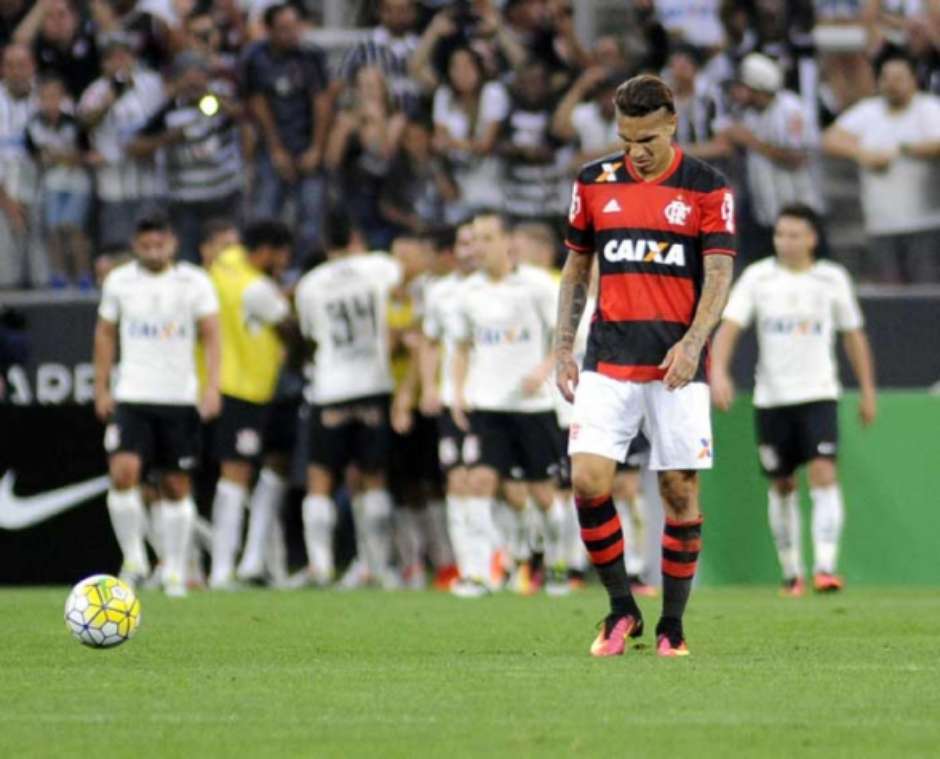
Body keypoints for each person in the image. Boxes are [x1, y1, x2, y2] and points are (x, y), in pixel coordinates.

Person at [556, 74, 736, 657]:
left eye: (648, 138)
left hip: (675, 363)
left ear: (673, 124)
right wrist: (563, 345)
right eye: (626, 137)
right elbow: (576, 268)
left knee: (679, 492)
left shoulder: (707, 187)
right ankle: (620, 609)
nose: (636, 150)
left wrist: (693, 343)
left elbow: (718, 275)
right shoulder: (592, 182)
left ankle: (672, 626)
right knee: (588, 482)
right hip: (608, 358)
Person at [710, 203, 877, 595]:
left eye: (794, 235)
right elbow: (730, 327)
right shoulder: (758, 278)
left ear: (812, 238)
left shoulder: (832, 278)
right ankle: (791, 572)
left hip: (819, 393)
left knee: (823, 472)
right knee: (782, 483)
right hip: (772, 398)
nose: (785, 242)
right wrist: (718, 371)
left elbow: (854, 335)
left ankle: (824, 566)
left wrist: (867, 389)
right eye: (780, 234)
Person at [94, 211, 221, 597]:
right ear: (136, 245)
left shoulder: (194, 281)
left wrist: (212, 386)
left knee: (175, 484)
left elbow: (212, 336)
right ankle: (134, 560)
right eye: (145, 245)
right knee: (123, 473)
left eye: (159, 243)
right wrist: (102, 387)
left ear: (173, 243)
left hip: (178, 395)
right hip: (133, 392)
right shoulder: (119, 281)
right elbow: (104, 334)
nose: (153, 250)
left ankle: (175, 570)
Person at [450, 211, 562, 597]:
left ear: (506, 242)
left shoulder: (537, 286)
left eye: (486, 238)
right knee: (479, 481)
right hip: (487, 406)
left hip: (532, 407)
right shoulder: (468, 293)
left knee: (544, 496)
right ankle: (479, 574)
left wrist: (544, 369)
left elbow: (564, 335)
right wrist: (457, 391)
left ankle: (557, 563)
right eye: (474, 239)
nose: (477, 247)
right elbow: (461, 346)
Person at [292, 213, 402, 588]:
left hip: (331, 386)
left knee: (321, 478)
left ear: (326, 245)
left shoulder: (309, 284)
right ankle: (378, 566)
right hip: (374, 383)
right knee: (373, 478)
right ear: (356, 237)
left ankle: (321, 567)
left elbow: (310, 334)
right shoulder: (380, 267)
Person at [203, 219, 294, 589]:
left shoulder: (224, 265)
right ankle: (224, 568)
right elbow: (292, 329)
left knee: (266, 470)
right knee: (237, 475)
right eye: (282, 255)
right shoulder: (256, 287)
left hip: (236, 384)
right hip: (246, 388)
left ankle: (256, 562)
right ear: (267, 251)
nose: (284, 263)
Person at [822, 49, 940, 283]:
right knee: (890, 295)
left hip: (926, 221)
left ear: (913, 80)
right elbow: (829, 139)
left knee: (927, 294)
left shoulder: (929, 108)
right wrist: (861, 154)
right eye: (886, 78)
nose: (891, 85)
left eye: (898, 79)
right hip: (880, 223)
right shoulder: (869, 111)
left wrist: (905, 149)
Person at [128, 51, 244, 264]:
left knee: (228, 255)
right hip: (186, 198)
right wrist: (169, 139)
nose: (193, 84)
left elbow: (243, 116)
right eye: (187, 79)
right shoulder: (167, 109)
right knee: (188, 258)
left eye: (198, 77)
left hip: (224, 193)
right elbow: (135, 145)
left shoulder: (219, 99)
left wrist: (212, 100)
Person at [420, 221, 481, 591]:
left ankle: (511, 559)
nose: (468, 249)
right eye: (463, 242)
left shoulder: (497, 290)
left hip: (492, 399)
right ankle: (468, 565)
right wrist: (428, 386)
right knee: (457, 480)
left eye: (475, 242)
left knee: (496, 484)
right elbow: (430, 341)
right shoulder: (440, 292)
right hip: (452, 400)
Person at [243, 3, 331, 259]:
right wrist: (276, 149)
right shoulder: (255, 58)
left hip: (308, 143)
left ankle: (305, 272)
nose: (291, 34)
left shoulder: (312, 56)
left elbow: (322, 102)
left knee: (312, 219)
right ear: (268, 30)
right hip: (272, 147)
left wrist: (316, 147)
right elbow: (257, 105)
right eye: (283, 29)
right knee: (264, 216)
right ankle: (265, 271)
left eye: (295, 28)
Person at [720, 53, 822, 264]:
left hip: (799, 214)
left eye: (743, 87)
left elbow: (798, 157)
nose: (738, 92)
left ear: (757, 88)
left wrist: (752, 141)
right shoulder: (747, 113)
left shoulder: (791, 109)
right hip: (764, 213)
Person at [78, 34, 164, 252]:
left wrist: (151, 144)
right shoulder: (95, 91)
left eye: (124, 55)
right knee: (118, 247)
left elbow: (165, 119)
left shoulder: (151, 83)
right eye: (113, 57)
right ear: (104, 62)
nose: (120, 62)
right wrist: (110, 99)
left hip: (149, 179)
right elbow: (84, 123)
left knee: (153, 244)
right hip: (113, 183)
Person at [25, 73, 93, 289]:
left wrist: (59, 157)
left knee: (73, 229)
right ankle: (59, 275)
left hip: (76, 185)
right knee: (54, 230)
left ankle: (82, 274)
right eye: (46, 97)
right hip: (52, 184)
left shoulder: (73, 124)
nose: (51, 102)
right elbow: (37, 155)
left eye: (55, 96)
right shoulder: (34, 125)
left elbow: (84, 155)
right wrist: (62, 157)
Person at [0, 43, 46, 289]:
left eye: (22, 65)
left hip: (44, 196)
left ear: (33, 67)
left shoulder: (49, 98)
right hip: (4, 197)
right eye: (10, 66)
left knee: (43, 272)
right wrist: (7, 203)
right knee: (6, 274)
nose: (16, 71)